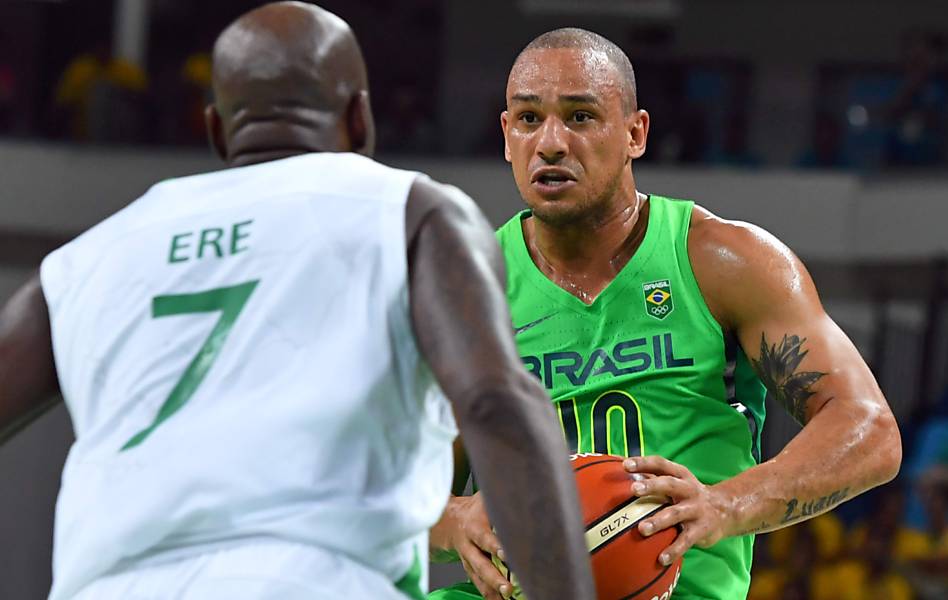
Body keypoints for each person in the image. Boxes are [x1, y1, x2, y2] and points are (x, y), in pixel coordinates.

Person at [0, 5, 595, 600]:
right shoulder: (411, 212)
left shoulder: (90, 258)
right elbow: (496, 405)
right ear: (360, 121)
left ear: (217, 132)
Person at [429, 28, 902, 600]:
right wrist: (455, 520)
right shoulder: (463, 294)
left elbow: (869, 431)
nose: (551, 143)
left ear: (635, 133)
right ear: (507, 136)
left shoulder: (724, 262)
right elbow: (380, 486)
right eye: (529, 119)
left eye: (580, 117)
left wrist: (725, 503)